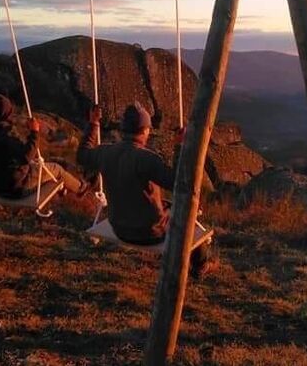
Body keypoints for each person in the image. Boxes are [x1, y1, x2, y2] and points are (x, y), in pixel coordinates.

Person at [78, 101, 215, 278]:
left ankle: (198, 262)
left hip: (119, 228)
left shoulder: (105, 152)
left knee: (168, 206)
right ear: (144, 130)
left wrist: (93, 124)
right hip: (149, 233)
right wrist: (180, 147)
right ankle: (201, 265)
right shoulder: (146, 159)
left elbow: (82, 155)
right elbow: (180, 184)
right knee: (189, 208)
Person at [0, 94, 85, 199]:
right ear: (7, 114)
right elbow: (27, 156)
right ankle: (80, 188)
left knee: (38, 166)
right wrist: (34, 132)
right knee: (56, 168)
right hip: (16, 187)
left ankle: (62, 189)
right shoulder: (6, 133)